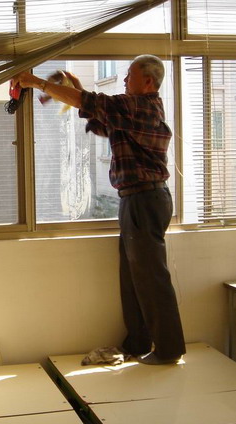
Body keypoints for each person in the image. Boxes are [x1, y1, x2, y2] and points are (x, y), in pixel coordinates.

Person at [13, 55, 185, 365]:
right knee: (133, 278)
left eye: (130, 75)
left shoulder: (140, 106)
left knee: (151, 277)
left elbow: (95, 104)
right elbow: (100, 119)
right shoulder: (130, 112)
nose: (124, 80)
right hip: (137, 199)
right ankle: (138, 343)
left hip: (145, 200)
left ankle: (169, 350)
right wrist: (77, 92)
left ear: (147, 81)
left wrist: (37, 83)